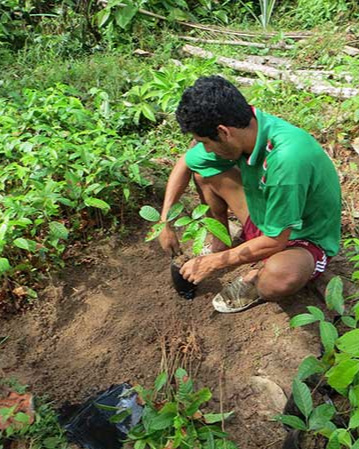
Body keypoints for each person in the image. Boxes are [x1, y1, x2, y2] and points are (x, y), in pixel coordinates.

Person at [159, 75, 341, 313]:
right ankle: (221, 242)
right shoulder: (248, 129)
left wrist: (214, 264)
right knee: (203, 173)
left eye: (205, 142)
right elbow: (185, 163)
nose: (204, 149)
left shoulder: (287, 159)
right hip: (267, 215)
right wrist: (165, 221)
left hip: (302, 236)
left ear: (223, 132)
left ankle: (255, 279)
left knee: (280, 277)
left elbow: (277, 241)